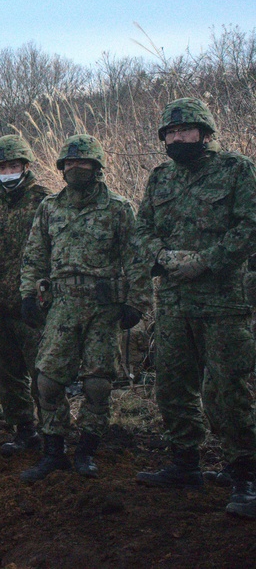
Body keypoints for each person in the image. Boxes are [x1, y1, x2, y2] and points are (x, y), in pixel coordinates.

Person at [131, 98, 256, 518]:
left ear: (205, 133)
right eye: (169, 133)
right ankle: (186, 464)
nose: (176, 138)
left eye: (184, 131)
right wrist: (162, 258)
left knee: (227, 390)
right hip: (172, 303)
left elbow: (250, 226)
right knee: (171, 385)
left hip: (222, 301)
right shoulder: (160, 178)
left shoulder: (236, 170)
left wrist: (206, 261)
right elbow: (143, 227)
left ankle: (245, 476)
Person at [19, 134, 149, 482]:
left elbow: (135, 258)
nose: (76, 168)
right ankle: (54, 450)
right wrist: (28, 296)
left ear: (97, 167)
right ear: (62, 168)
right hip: (60, 306)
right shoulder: (50, 207)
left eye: (84, 162)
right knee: (47, 381)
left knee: (97, 385)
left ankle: (87, 451)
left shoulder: (118, 208)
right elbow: (34, 257)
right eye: (70, 163)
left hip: (102, 308)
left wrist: (136, 302)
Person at [0, 135, 50, 457]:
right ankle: (24, 431)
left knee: (44, 376)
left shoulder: (44, 202)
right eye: (3, 167)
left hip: (34, 306)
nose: (8, 171)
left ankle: (53, 436)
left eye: (14, 165)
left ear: (25, 166)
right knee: (9, 378)